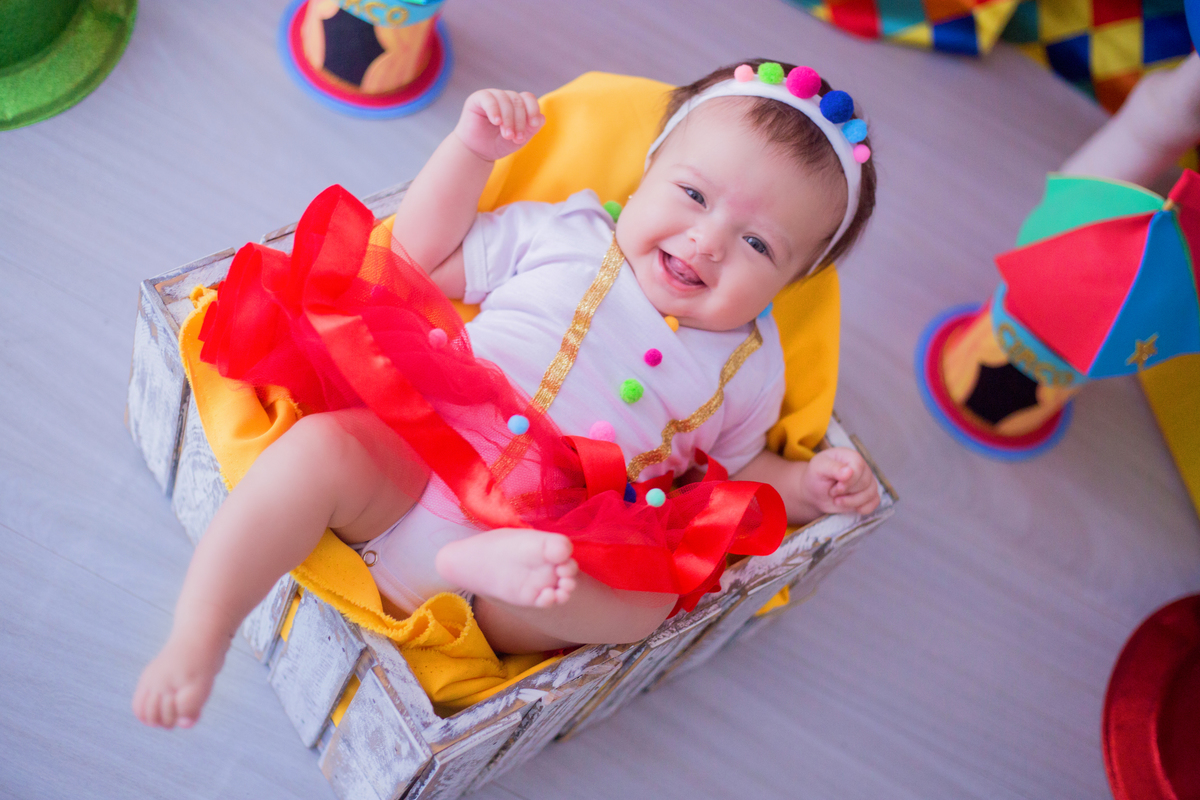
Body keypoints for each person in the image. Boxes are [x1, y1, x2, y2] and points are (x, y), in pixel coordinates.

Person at [133, 59, 882, 729]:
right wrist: (471, 152)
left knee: (650, 599)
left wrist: (807, 485)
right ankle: (200, 632)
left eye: (759, 245)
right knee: (319, 451)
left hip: (545, 548)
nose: (708, 241)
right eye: (692, 194)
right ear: (648, 172)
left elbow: (734, 476)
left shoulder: (753, 368)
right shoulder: (569, 232)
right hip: (426, 453)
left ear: (792, 281)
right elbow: (419, 256)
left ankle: (473, 567)